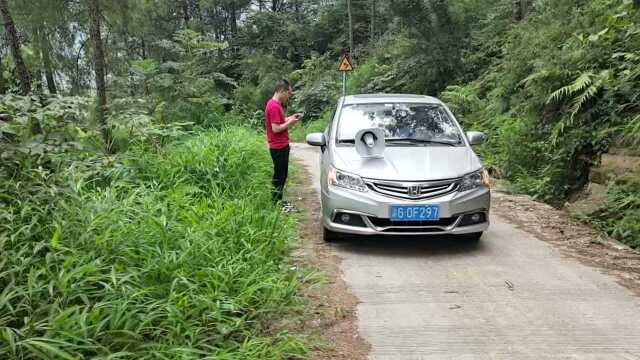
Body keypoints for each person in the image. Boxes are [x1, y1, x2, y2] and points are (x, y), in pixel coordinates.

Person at [264, 79, 302, 206]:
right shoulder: (274, 106)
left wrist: (291, 118)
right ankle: (276, 203)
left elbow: (279, 121)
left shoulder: (274, 104)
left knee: (281, 175)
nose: (289, 97)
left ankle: (278, 201)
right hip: (278, 147)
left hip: (280, 146)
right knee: (279, 176)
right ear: (281, 91)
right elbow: (275, 128)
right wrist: (290, 123)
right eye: (288, 93)